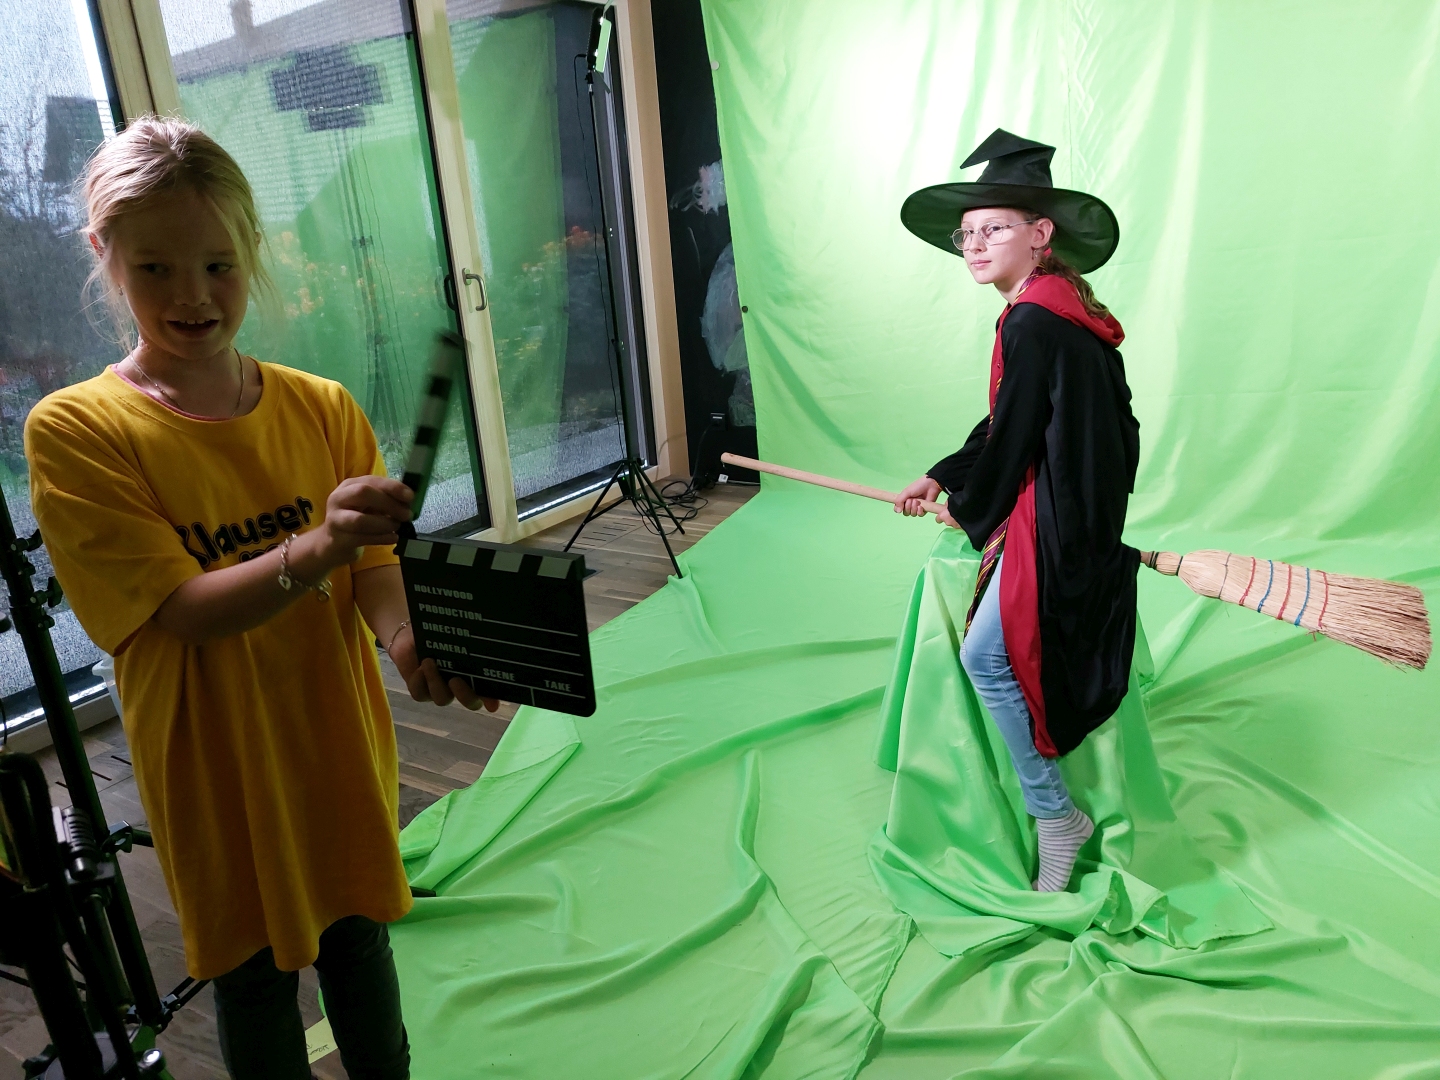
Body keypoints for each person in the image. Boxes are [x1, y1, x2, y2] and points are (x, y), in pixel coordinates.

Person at [24, 116, 496, 1080]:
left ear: (252, 252)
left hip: (334, 735)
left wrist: (406, 642)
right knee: (250, 978)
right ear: (103, 254)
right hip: (214, 766)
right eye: (155, 268)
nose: (192, 295)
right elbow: (183, 610)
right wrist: (320, 542)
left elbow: (374, 571)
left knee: (359, 939)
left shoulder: (322, 406)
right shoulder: (76, 431)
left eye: (218, 264)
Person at [893, 129, 1141, 892]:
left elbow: (1019, 435)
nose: (973, 245)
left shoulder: (1032, 319)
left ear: (1040, 235)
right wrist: (944, 475)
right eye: (966, 234)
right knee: (987, 652)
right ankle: (1053, 811)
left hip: (1061, 519)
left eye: (993, 229)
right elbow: (1016, 417)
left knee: (985, 658)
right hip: (1078, 505)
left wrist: (971, 507)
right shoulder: (1054, 306)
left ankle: (1056, 816)